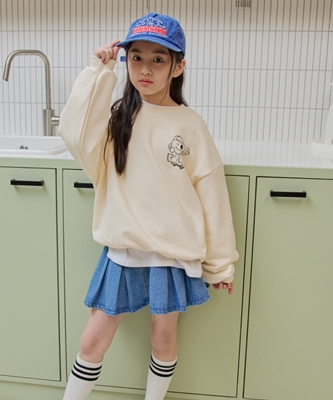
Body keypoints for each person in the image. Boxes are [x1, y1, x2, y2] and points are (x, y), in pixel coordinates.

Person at [58, 12, 239, 400]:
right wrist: (98, 73)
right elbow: (73, 133)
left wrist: (220, 263)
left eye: (158, 59)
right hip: (123, 251)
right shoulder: (117, 118)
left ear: (178, 66)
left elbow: (212, 194)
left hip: (171, 252)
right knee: (92, 340)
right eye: (136, 57)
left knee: (163, 338)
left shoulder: (191, 124)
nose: (145, 68)